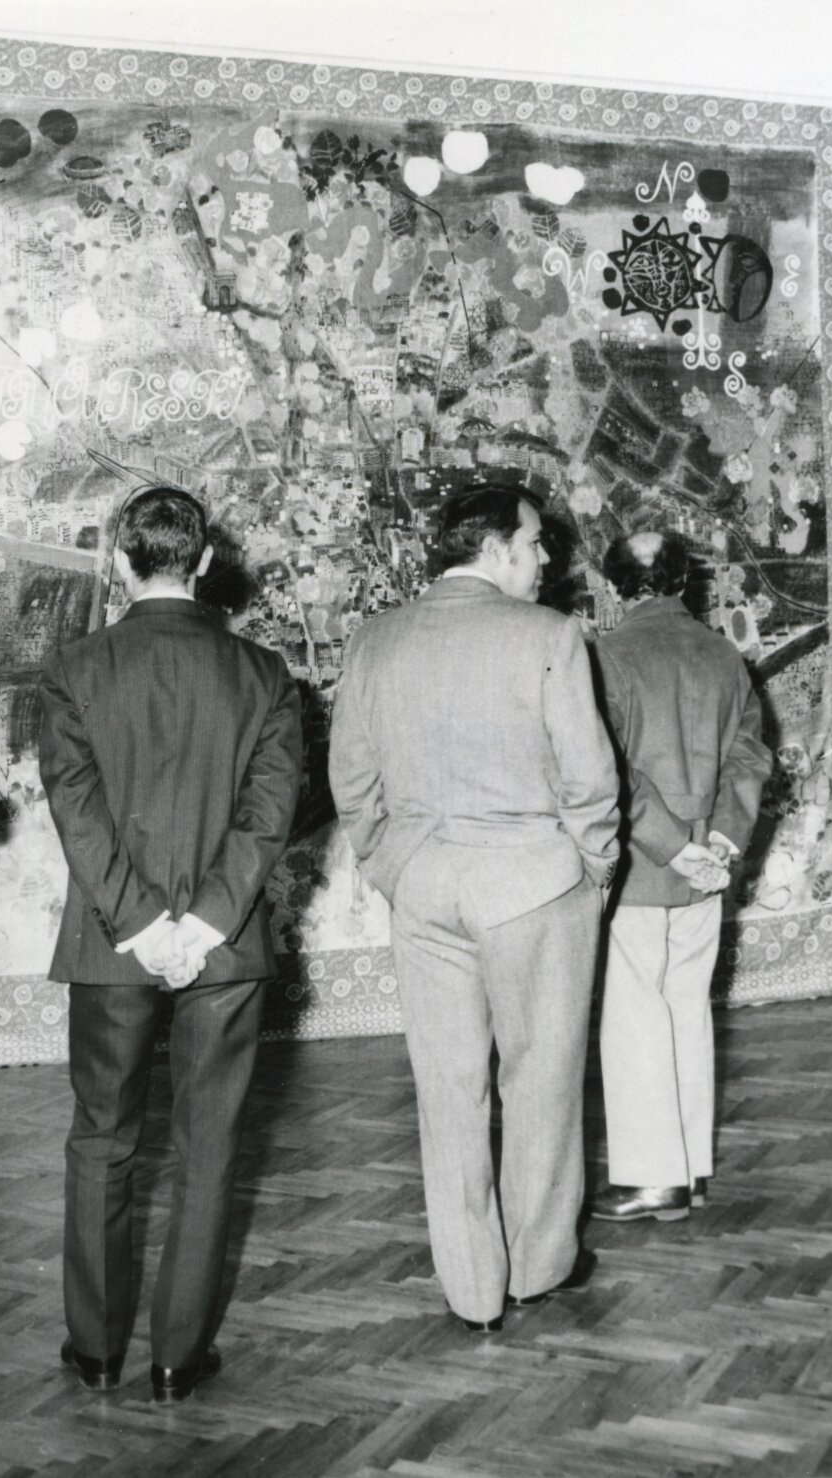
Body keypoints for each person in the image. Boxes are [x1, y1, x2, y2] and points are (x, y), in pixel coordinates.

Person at [328, 483, 619, 1332]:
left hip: (424, 888)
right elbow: (591, 780)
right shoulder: (551, 637)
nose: (544, 558)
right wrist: (593, 868)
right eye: (533, 543)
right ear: (494, 549)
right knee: (543, 1081)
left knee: (447, 1092)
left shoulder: (374, 641)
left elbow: (352, 781)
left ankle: (472, 1290)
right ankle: (537, 1267)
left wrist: (391, 866)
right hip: (534, 887)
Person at [38, 485, 302, 1402]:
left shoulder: (74, 667)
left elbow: (77, 814)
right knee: (209, 1147)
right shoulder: (263, 673)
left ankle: (95, 1349)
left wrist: (143, 926)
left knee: (101, 1139)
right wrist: (205, 922)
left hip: (111, 947)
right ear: (205, 562)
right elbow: (269, 817)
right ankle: (176, 1358)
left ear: (119, 561)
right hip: (226, 954)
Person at [590, 531, 772, 1223]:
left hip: (640, 868)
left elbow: (608, 771)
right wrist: (716, 841)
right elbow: (749, 757)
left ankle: (651, 1180)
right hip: (708, 868)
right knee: (687, 1012)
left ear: (614, 587)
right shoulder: (724, 654)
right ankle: (690, 1169)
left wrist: (670, 847)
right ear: (679, 582)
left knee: (635, 1018)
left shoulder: (606, 655)